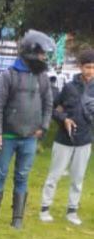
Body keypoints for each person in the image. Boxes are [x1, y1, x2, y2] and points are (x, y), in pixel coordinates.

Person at [0, 30, 55, 229]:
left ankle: (17, 219)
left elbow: (48, 104)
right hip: (7, 136)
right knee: (0, 174)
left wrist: (44, 126)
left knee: (22, 176)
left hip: (30, 137)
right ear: (32, 51)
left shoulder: (42, 77)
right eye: (41, 53)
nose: (43, 57)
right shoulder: (9, 75)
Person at [38, 48, 94, 227]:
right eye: (87, 67)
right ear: (80, 67)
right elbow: (53, 108)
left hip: (85, 140)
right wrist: (64, 119)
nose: (90, 71)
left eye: (93, 68)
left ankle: (72, 211)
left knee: (78, 178)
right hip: (64, 139)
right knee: (54, 175)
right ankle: (45, 208)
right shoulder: (69, 87)